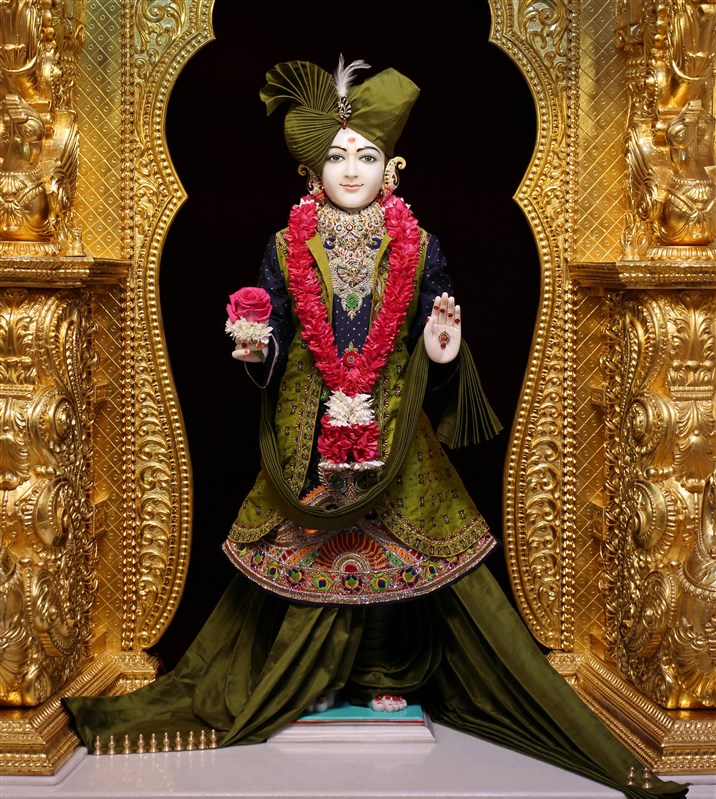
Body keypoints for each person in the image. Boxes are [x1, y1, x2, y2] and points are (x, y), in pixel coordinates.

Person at [64, 58, 689, 799]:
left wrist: (442, 353)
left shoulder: (420, 245)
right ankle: (313, 678)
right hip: (310, 420)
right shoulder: (285, 243)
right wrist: (257, 347)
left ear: (392, 168)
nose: (351, 170)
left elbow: (435, 328)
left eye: (366, 156)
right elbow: (273, 320)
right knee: (313, 550)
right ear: (311, 173)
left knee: (394, 549)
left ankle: (383, 672)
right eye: (336, 157)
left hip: (393, 420)